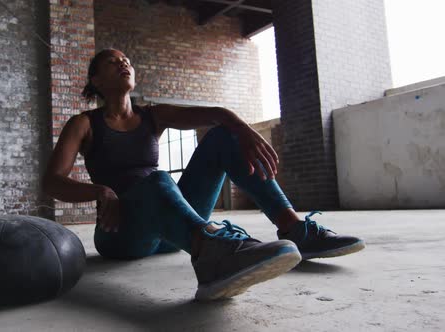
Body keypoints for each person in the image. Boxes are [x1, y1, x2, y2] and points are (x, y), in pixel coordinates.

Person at [42, 48, 365, 301]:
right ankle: (212, 255)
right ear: (96, 80)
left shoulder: (152, 116)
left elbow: (214, 116)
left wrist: (240, 127)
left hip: (172, 229)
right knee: (158, 180)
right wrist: (101, 192)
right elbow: (52, 180)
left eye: (126, 60)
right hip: (123, 235)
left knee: (222, 137)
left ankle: (294, 229)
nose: (124, 64)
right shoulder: (84, 124)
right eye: (113, 62)